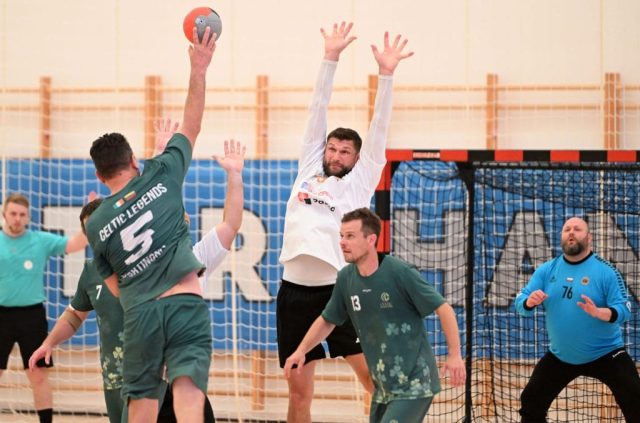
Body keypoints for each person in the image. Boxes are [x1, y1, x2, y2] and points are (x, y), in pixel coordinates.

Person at [29, 134, 244, 422]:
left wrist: (234, 176)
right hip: (127, 380)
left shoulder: (194, 258)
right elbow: (74, 314)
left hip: (173, 378)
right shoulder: (100, 270)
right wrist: (49, 342)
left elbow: (230, 224)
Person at [276, 22, 413, 422]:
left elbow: (379, 128)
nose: (336, 155)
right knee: (298, 393)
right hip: (293, 294)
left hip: (339, 294)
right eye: (332, 148)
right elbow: (317, 108)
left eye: (345, 151)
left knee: (373, 380)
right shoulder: (307, 168)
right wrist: (329, 58)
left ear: (356, 158)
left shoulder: (358, 184)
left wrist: (386, 75)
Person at [84, 26, 217, 423]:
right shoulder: (161, 173)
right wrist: (199, 68)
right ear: (133, 161)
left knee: (141, 405)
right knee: (187, 396)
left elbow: (113, 285)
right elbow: (191, 124)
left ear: (99, 176)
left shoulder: (96, 221)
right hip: (184, 303)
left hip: (140, 313)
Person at [284, 208, 466, 422]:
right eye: (341, 236)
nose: (342, 242)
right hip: (383, 387)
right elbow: (328, 319)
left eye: (350, 236)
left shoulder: (399, 272)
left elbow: (444, 308)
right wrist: (301, 350)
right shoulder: (345, 278)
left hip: (414, 385)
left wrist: (454, 355)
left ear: (371, 240)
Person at [514, 216, 640, 422]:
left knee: (635, 397)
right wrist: (529, 301)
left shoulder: (606, 271)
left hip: (606, 353)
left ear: (589, 237)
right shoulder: (547, 270)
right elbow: (520, 301)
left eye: (577, 229)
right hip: (561, 356)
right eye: (567, 229)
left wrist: (600, 313)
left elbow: (624, 309)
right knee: (531, 400)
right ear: (561, 237)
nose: (571, 232)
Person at [0, 192, 88, 423]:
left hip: (31, 316)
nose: (17, 218)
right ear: (4, 214)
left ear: (28, 217)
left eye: (22, 214)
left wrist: (88, 220)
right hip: (2, 315)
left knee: (38, 374)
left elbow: (75, 244)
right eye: (13, 213)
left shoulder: (40, 240)